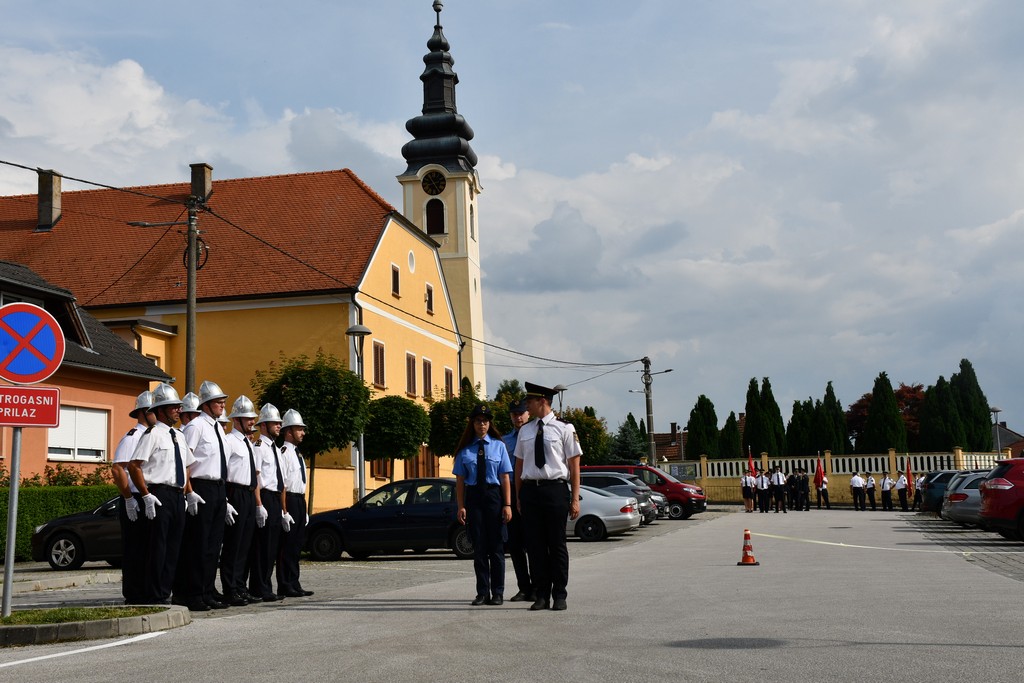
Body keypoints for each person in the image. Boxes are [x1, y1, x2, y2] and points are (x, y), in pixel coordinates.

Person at [513, 382, 582, 612]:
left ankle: (559, 594)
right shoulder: (526, 430)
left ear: (542, 401)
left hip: (555, 490)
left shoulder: (565, 428)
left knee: (557, 544)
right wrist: (519, 496)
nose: (527, 407)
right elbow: (519, 466)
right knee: (535, 546)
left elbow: (574, 466)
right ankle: (541, 595)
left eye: (530, 402)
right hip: (531, 490)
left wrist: (574, 498)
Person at [127, 383, 197, 605]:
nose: (178, 410)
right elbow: (134, 466)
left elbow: (186, 465)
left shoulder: (178, 435)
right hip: (159, 493)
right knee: (158, 547)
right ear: (160, 410)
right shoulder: (152, 434)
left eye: (178, 407)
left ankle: (165, 590)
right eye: (173, 407)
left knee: (174, 547)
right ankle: (154, 593)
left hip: (177, 495)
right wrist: (146, 495)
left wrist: (188, 493)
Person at [176, 380, 230, 611]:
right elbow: (184, 461)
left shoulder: (217, 427)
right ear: (206, 404)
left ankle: (208, 591)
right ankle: (193, 593)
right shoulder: (195, 426)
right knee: (198, 544)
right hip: (201, 487)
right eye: (218, 402)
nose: (222, 405)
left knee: (213, 545)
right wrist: (189, 492)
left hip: (218, 488)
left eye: (222, 402)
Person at [454, 403, 513, 606]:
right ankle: (482, 592)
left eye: (486, 421)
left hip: (494, 496)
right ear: (473, 423)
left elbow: (505, 477)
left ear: (490, 424)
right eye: (479, 421)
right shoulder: (465, 450)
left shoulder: (499, 446)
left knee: (496, 546)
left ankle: (498, 592)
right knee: (479, 547)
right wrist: (461, 506)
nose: (482, 425)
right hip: (475, 498)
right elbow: (460, 481)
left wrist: (508, 505)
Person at [111, 390, 155, 604]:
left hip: (146, 497)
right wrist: (128, 498)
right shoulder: (133, 437)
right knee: (134, 548)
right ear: (144, 412)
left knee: (148, 547)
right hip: (134, 498)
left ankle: (146, 590)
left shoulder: (151, 436)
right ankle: (134, 594)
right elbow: (118, 469)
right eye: (154, 411)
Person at [220, 395, 263, 606]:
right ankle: (230, 589)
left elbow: (254, 474)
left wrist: (257, 504)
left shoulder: (248, 443)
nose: (252, 422)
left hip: (247, 493)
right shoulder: (229, 441)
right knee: (233, 545)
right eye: (248, 419)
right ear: (236, 419)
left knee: (245, 545)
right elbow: (223, 471)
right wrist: (226, 500)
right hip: (234, 492)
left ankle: (240, 586)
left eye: (253, 418)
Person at [249, 403, 288, 603]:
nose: (279, 426)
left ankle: (267, 585)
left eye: (280, 423)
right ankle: (258, 587)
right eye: (275, 423)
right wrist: (258, 504)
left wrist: (284, 510)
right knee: (262, 545)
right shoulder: (259, 447)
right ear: (263, 425)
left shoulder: (276, 449)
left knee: (272, 546)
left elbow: (281, 482)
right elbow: (256, 478)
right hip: (264, 496)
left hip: (275, 499)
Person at [277, 409, 313, 598]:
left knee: (297, 544)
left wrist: (304, 508)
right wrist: (284, 510)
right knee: (287, 545)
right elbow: (282, 484)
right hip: (289, 499)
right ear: (289, 431)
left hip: (299, 500)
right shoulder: (283, 452)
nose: (303, 433)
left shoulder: (298, 453)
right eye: (300, 429)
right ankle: (285, 583)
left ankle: (294, 581)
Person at [501, 399, 533, 601]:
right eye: (514, 414)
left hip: (530, 489)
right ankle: (525, 587)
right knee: (515, 544)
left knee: (535, 543)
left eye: (521, 413)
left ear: (528, 413)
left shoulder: (536, 436)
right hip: (511, 491)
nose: (518, 417)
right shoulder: (504, 441)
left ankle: (540, 586)